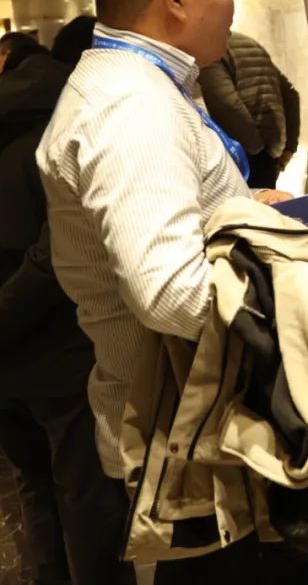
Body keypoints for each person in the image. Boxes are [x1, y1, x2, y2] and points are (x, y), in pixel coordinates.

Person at [36, 0, 308, 581]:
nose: (233, 0)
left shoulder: (136, 84)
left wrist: (244, 206)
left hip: (199, 431)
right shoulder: (134, 106)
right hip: (197, 450)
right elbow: (170, 292)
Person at [0, 36, 135, 584]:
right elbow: (58, 253)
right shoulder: (65, 128)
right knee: (87, 496)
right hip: (63, 346)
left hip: (9, 359)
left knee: (33, 484)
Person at [197, 31, 301, 189]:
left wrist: (255, 149)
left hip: (245, 154)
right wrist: (289, 147)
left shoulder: (207, 49)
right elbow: (291, 94)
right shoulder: (249, 42)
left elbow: (227, 105)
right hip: (269, 150)